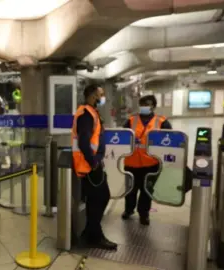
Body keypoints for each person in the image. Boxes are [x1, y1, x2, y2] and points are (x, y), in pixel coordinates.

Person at [72, 84, 117, 250]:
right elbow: (84, 141)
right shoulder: (86, 114)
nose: (102, 97)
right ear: (93, 96)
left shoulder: (91, 112)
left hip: (91, 163)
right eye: (101, 94)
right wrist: (93, 161)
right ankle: (94, 236)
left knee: (95, 200)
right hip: (89, 166)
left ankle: (90, 233)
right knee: (102, 197)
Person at [122, 95, 172, 225]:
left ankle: (144, 214)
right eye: (142, 104)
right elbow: (122, 137)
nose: (144, 107)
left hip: (151, 164)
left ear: (153, 106)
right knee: (131, 190)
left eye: (147, 104)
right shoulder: (131, 120)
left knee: (146, 190)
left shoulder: (162, 121)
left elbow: (169, 141)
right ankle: (128, 210)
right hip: (131, 163)